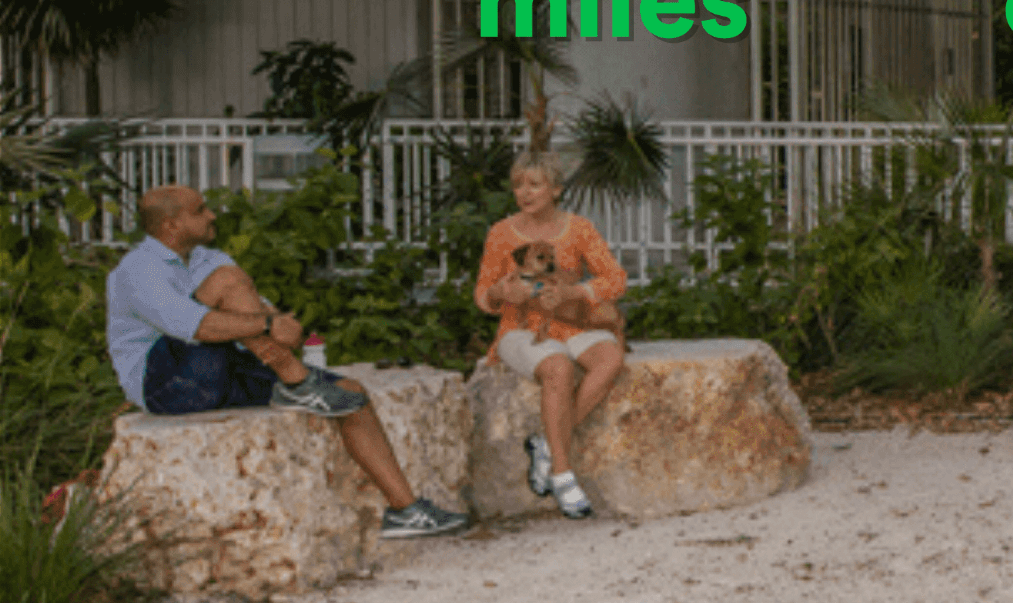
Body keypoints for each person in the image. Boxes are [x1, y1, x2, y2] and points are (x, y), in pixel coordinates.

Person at [105, 185, 468, 539]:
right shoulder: (138, 269)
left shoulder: (207, 258)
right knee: (229, 285)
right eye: (200, 210)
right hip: (167, 385)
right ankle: (296, 380)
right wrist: (268, 324)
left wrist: (276, 322)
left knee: (348, 392)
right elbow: (197, 326)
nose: (212, 215)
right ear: (170, 225)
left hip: (219, 368)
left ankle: (406, 510)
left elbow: (253, 308)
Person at [475, 153, 629, 520]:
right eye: (517, 185)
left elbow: (615, 279)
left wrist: (576, 294)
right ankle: (562, 472)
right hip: (521, 328)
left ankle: (545, 443)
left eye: (534, 184)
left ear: (556, 189)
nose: (524, 193)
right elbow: (482, 294)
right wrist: (500, 293)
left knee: (609, 359)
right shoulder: (501, 233)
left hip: (573, 323)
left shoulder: (579, 229)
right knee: (558, 366)